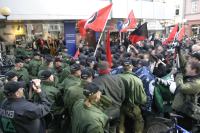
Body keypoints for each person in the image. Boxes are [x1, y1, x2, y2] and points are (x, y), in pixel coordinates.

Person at [93, 61, 125, 133]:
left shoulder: (95, 81)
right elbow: (123, 97)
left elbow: (94, 100)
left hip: (103, 114)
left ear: (99, 70)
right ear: (109, 68)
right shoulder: (118, 79)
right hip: (116, 111)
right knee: (112, 130)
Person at [116, 59, 146, 133]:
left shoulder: (116, 78)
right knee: (139, 120)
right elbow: (142, 99)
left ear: (122, 67)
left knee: (120, 121)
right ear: (132, 67)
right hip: (131, 106)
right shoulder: (137, 80)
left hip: (119, 105)